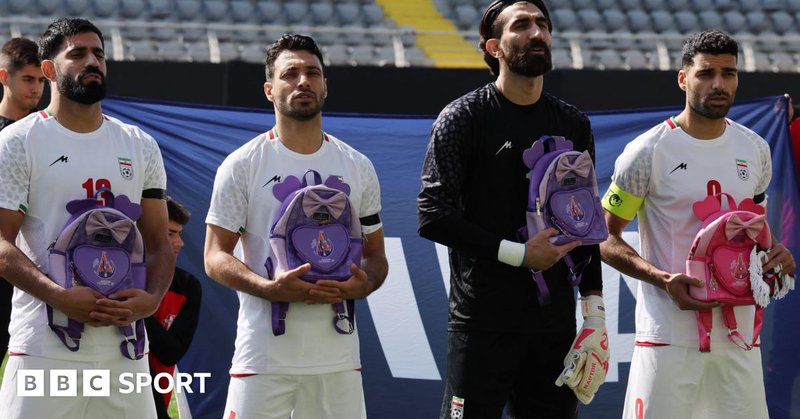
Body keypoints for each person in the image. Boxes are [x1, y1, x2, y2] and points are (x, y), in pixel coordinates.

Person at [417, 1, 607, 417]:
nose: (536, 33)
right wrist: (520, 255)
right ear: (495, 47)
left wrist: (594, 315)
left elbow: (587, 225)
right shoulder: (463, 118)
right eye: (521, 26)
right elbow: (433, 215)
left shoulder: (574, 124)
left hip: (553, 327)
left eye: (542, 24)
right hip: (482, 322)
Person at [600, 30, 796, 418]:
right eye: (707, 73)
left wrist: (776, 258)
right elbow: (604, 237)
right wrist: (661, 279)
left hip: (741, 339)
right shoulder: (647, 151)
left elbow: (755, 232)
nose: (719, 84)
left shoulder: (755, 149)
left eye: (729, 73)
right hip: (668, 337)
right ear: (683, 78)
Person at [204, 34, 388, 419]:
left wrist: (363, 283)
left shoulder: (358, 166)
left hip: (337, 360)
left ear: (325, 86)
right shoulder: (242, 165)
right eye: (290, 74)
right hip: (264, 356)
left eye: (312, 72)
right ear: (270, 90)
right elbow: (214, 256)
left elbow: (376, 257)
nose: (303, 81)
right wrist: (269, 289)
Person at [0, 18, 173, 418]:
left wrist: (150, 301)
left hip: (124, 347)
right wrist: (59, 297)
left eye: (98, 53)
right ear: (49, 69)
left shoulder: (140, 144)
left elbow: (159, 242)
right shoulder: (17, 142)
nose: (91, 61)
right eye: (77, 53)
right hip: (44, 346)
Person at [0, 37, 46, 356]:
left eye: (42, 80)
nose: (36, 88)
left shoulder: (47, 136)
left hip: (29, 264)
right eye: (28, 79)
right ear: (4, 77)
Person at [145, 196, 202, 419]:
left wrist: (140, 309)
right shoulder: (111, 278)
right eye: (170, 234)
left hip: (155, 400)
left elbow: (171, 353)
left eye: (179, 234)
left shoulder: (187, 286)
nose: (180, 242)